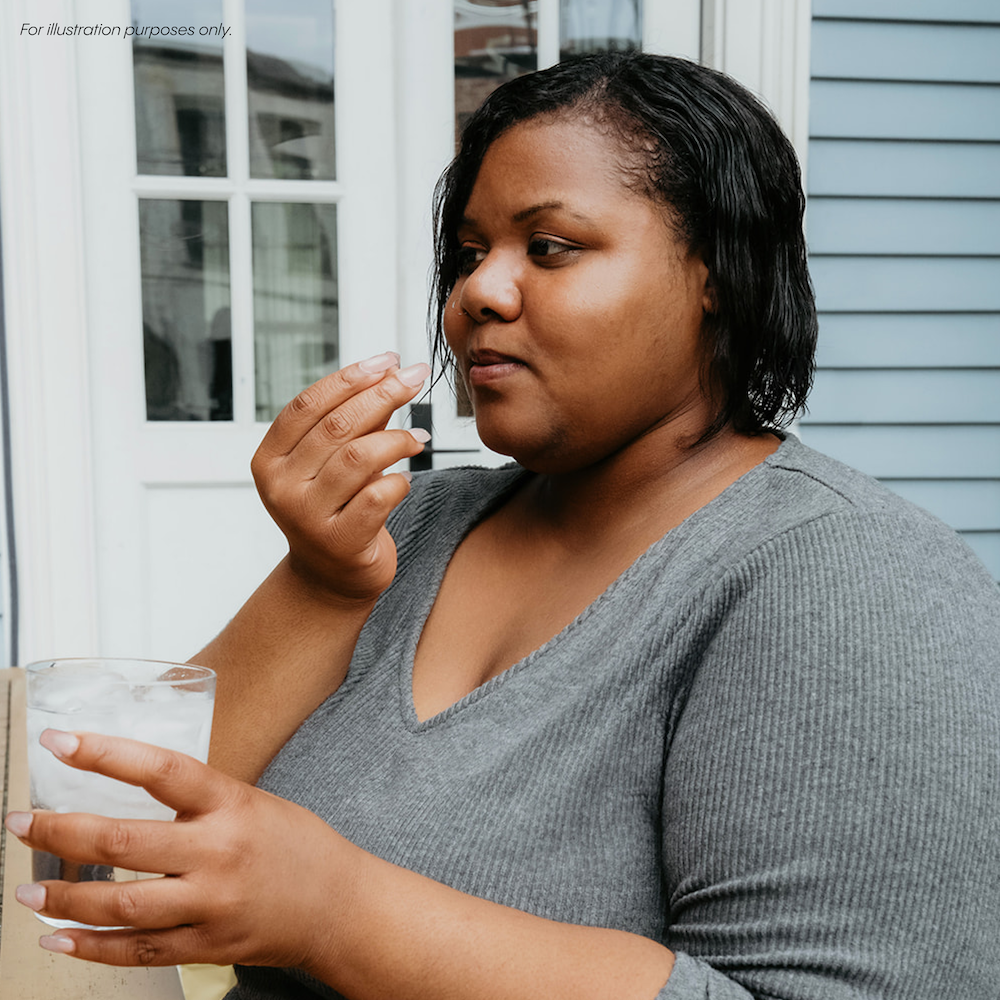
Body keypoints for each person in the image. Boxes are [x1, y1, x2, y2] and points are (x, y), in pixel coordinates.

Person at [6, 52, 1000, 999]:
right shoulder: (422, 523)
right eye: (470, 252)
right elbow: (119, 850)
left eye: (551, 246)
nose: (476, 290)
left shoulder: (851, 579)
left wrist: (337, 911)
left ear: (717, 273)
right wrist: (322, 580)